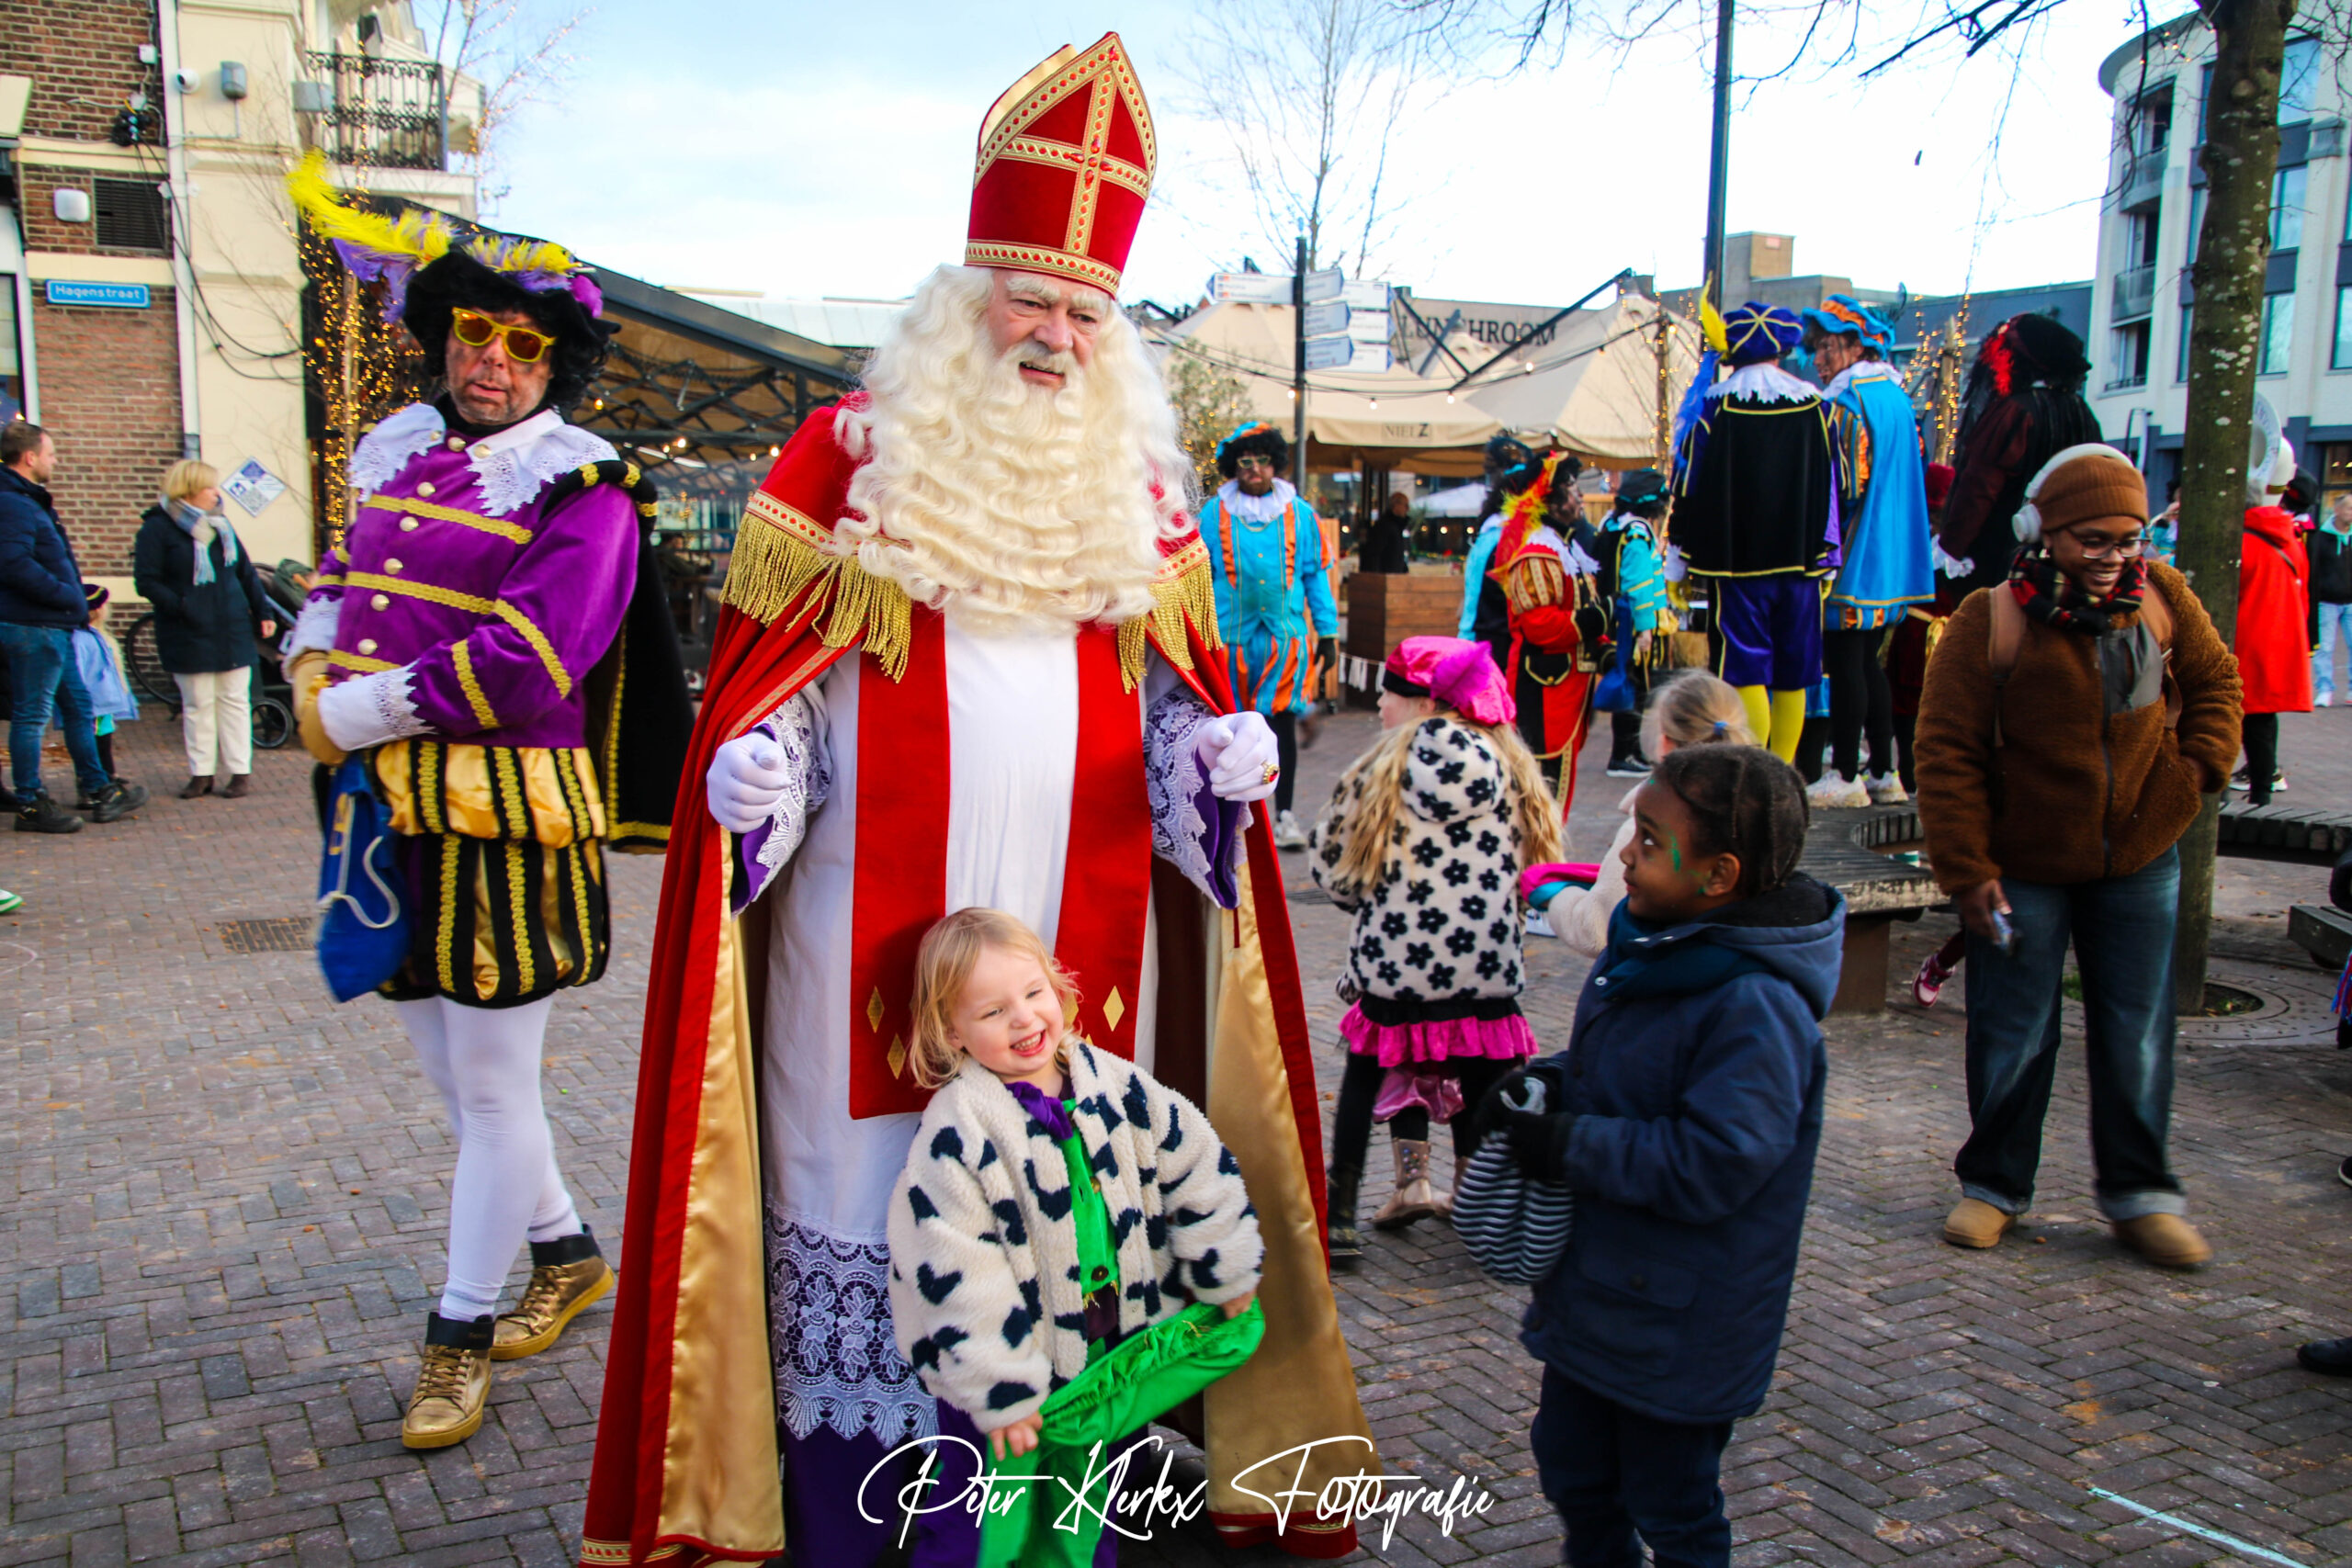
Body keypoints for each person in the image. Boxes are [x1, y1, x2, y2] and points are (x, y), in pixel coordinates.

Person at [586, 36, 1373, 1565]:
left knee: (1060, 1230)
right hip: (860, 957)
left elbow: (1167, 714)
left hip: (1081, 965)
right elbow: (785, 693)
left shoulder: (1142, 497)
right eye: (1030, 298)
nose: (1058, 335)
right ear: (965, 299)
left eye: (1088, 311)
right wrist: (758, 776)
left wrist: (1215, 766)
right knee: (871, 1212)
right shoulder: (849, 463)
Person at [285, 158, 692, 1449]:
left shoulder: (586, 486)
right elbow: (342, 572)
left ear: (553, 364)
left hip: (508, 819)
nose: (494, 362)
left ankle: (458, 1335)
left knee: (498, 1089)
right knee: (455, 1083)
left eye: (523, 345)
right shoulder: (400, 449)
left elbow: (528, 659)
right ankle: (566, 1253)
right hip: (388, 809)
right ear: (446, 336)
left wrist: (355, 708)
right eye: (475, 332)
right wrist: (306, 660)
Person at [1486, 744, 1838, 1568]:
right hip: (1603, 1295)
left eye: (1648, 840)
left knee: (1670, 1500)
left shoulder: (1756, 1004)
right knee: (1573, 1465)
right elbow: (1625, 1071)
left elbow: (1719, 1157)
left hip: (1681, 1321)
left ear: (1719, 874)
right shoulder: (1650, 947)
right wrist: (1546, 1084)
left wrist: (1571, 1144)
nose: (1624, 857)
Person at [1916, 444, 2242, 1270]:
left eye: (2128, 539)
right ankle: (1994, 1186)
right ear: (2045, 533)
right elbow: (1945, 752)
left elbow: (2217, 681)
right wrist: (1967, 868)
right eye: (2093, 539)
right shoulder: (1989, 619)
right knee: (2012, 1031)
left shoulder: (2164, 597)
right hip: (2020, 866)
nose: (2113, 557)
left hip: (2140, 857)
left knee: (2137, 1033)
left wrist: (2196, 770)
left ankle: (2141, 1196)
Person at [884, 907, 1262, 1564]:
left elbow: (1197, 1159)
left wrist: (1223, 1264)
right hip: (1004, 1378)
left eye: (1034, 993)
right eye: (993, 1011)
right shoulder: (958, 1131)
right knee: (984, 1524)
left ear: (1058, 987)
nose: (1024, 1019)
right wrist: (1002, 1391)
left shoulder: (1112, 1082)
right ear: (951, 1030)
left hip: (1102, 1359)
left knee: (1086, 1508)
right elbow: (957, 1272)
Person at [1308, 636, 1559, 1268]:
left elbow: (1332, 865)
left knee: (1363, 1079)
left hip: (1395, 966)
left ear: (1423, 702)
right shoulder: (1510, 765)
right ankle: (1481, 1206)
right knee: (1481, 1080)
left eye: (1389, 696)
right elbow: (1536, 863)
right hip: (1485, 966)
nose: (1380, 708)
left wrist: (1370, 903)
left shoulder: (1379, 769)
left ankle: (1342, 1214)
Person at [1670, 302, 1838, 763]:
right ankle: (1781, 773)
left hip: (1736, 566)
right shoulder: (1817, 405)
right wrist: (1829, 557)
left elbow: (1687, 484)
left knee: (1746, 671)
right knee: (1792, 675)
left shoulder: (1714, 406)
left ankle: (1755, 775)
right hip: (1803, 563)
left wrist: (1678, 559)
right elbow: (1836, 487)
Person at [1803, 296, 1935, 808]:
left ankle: (1844, 774)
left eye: (1828, 347)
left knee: (1846, 662)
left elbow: (1845, 487)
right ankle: (1883, 769)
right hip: (1894, 553)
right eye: (1817, 348)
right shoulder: (1896, 398)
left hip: (1857, 550)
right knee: (1869, 661)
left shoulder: (1848, 401)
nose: (1819, 359)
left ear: (1857, 347)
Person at [1198, 420, 1339, 852]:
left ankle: (1284, 815)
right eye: (1245, 463)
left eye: (1261, 461)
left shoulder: (1301, 514)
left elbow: (1315, 577)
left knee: (1280, 728)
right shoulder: (1214, 514)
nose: (1254, 470)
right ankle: (1239, 816)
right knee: (1231, 731)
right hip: (1230, 643)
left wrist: (1328, 632)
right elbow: (1198, 578)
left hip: (1284, 642)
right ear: (1234, 467)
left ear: (1274, 464)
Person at [0, 422, 148, 832]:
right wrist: (66, 595)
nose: (55, 461)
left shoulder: (26, 500)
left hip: (52, 623)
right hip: (34, 626)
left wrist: (70, 597)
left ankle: (98, 787)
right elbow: (13, 564)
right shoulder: (13, 503)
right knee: (32, 715)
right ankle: (31, 804)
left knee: (79, 707)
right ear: (30, 457)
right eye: (50, 454)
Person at [1547, 669, 1754, 957]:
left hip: (1663, 971)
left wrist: (1556, 897)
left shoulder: (1648, 826)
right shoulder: (1756, 808)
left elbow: (1598, 930)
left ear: (1665, 742)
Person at [134, 459, 277, 798]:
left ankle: (240, 772)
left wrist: (263, 610)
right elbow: (147, 581)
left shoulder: (221, 525)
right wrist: (183, 606)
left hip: (231, 627)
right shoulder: (157, 529)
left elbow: (245, 571)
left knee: (235, 702)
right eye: (209, 487)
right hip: (188, 631)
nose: (217, 492)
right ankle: (202, 773)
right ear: (188, 491)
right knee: (198, 704)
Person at [1935, 313, 2100, 602]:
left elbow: (1979, 489)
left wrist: (1951, 549)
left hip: (2002, 560)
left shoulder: (2014, 411)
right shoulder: (2082, 411)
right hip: (2063, 561)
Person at [1491, 452, 1595, 807]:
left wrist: (1601, 643)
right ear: (1548, 500)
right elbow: (1539, 625)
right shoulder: (1536, 553)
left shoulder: (1565, 548)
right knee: (1540, 795)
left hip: (1565, 690)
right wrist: (1591, 623)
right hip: (1543, 692)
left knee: (1556, 789)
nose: (1579, 495)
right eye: (1570, 486)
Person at [2234, 440, 2312, 805]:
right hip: (2280, 641)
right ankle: (2262, 791)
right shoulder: (2292, 540)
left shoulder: (2240, 544)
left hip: (2245, 640)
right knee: (2262, 721)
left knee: (2226, 719)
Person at [1595, 468, 1677, 779]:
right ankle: (1624, 755)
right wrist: (1645, 627)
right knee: (1635, 687)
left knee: (1630, 683)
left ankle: (1630, 753)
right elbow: (1638, 583)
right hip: (1631, 624)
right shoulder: (1638, 533)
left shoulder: (1612, 524)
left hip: (1615, 620)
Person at [2309, 492, 2352, 706]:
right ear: (2337, 510)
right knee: (2324, 647)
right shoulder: (2320, 537)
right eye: (2349, 508)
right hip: (2326, 601)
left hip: (2351, 602)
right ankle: (2325, 689)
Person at [1362, 487, 1416, 574]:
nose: (1407, 509)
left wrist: (1403, 569)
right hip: (1386, 576)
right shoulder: (1385, 526)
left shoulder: (1396, 527)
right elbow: (1375, 554)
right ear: (1396, 505)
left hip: (1393, 576)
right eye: (1405, 505)